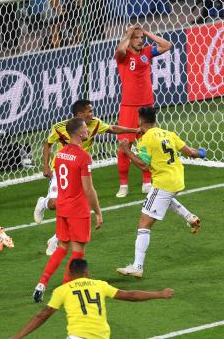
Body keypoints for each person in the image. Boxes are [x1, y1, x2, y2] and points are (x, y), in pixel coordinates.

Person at [34, 99, 139, 255]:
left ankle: (56, 240)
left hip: (80, 169)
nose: (92, 114)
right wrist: (46, 166)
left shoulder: (95, 123)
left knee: (74, 207)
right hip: (61, 168)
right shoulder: (61, 128)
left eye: (92, 110)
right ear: (79, 114)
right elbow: (48, 144)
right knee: (57, 203)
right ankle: (43, 203)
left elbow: (112, 128)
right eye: (89, 111)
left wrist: (134, 130)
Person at [116, 107, 205, 278]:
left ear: (140, 120)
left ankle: (137, 266)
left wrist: (127, 151)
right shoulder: (168, 133)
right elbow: (190, 152)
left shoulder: (146, 139)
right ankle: (190, 217)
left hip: (163, 182)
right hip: (177, 179)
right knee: (163, 199)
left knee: (144, 224)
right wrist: (200, 153)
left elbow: (143, 165)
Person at [33, 118, 104, 303]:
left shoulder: (61, 154)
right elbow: (88, 189)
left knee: (62, 247)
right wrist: (98, 211)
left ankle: (41, 283)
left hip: (62, 207)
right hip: (78, 210)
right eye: (84, 128)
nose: (88, 130)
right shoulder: (83, 157)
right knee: (78, 251)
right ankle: (65, 289)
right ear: (79, 133)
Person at [15, 259, 173, 339]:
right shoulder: (100, 285)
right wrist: (159, 293)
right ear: (87, 273)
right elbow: (130, 295)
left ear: (70, 275)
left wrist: (18, 336)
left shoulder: (62, 290)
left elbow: (42, 315)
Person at [115, 24, 172, 198]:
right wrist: (129, 33)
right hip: (129, 107)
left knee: (148, 144)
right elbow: (120, 49)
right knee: (125, 145)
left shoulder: (147, 52)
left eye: (142, 38)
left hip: (147, 105)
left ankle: (147, 181)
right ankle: (123, 184)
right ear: (130, 39)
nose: (141, 40)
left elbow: (166, 45)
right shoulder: (123, 56)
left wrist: (146, 32)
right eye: (137, 37)